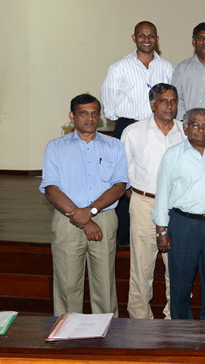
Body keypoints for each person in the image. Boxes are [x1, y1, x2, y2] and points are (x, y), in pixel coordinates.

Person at [40, 94, 128, 316]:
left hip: (105, 220)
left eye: (95, 113)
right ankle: (67, 338)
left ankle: (107, 338)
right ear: (72, 116)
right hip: (67, 220)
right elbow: (52, 188)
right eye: (83, 113)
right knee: (68, 286)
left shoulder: (114, 146)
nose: (90, 118)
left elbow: (119, 186)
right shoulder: (55, 147)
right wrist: (82, 218)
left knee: (105, 287)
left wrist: (91, 212)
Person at [152, 107, 205, 320]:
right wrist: (161, 230)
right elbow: (162, 194)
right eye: (195, 124)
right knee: (181, 283)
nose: (201, 130)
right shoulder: (173, 155)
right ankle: (180, 331)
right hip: (183, 225)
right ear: (185, 127)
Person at [100, 21, 173, 247]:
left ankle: (162, 225)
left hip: (159, 126)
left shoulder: (167, 67)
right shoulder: (119, 67)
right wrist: (128, 122)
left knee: (156, 175)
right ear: (134, 38)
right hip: (129, 126)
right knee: (125, 178)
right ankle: (124, 232)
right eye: (142, 35)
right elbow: (109, 105)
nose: (146, 39)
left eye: (151, 35)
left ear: (157, 39)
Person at [121, 83, 185, 319]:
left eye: (173, 101)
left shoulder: (185, 131)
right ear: (152, 104)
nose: (169, 106)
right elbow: (123, 173)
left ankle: (174, 320)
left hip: (178, 209)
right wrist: (139, 199)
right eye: (163, 101)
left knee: (178, 269)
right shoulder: (134, 132)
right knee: (141, 269)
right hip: (144, 205)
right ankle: (140, 325)